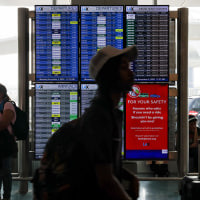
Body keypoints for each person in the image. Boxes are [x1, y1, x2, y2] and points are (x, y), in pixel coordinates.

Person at [79, 45, 139, 200]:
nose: (131, 73)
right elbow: (105, 181)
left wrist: (131, 177)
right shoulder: (99, 117)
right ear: (110, 75)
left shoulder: (110, 114)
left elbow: (105, 163)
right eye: (124, 68)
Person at [0, 83, 16, 200]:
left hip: (4, 144)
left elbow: (4, 124)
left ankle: (7, 197)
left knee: (5, 172)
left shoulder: (7, 105)